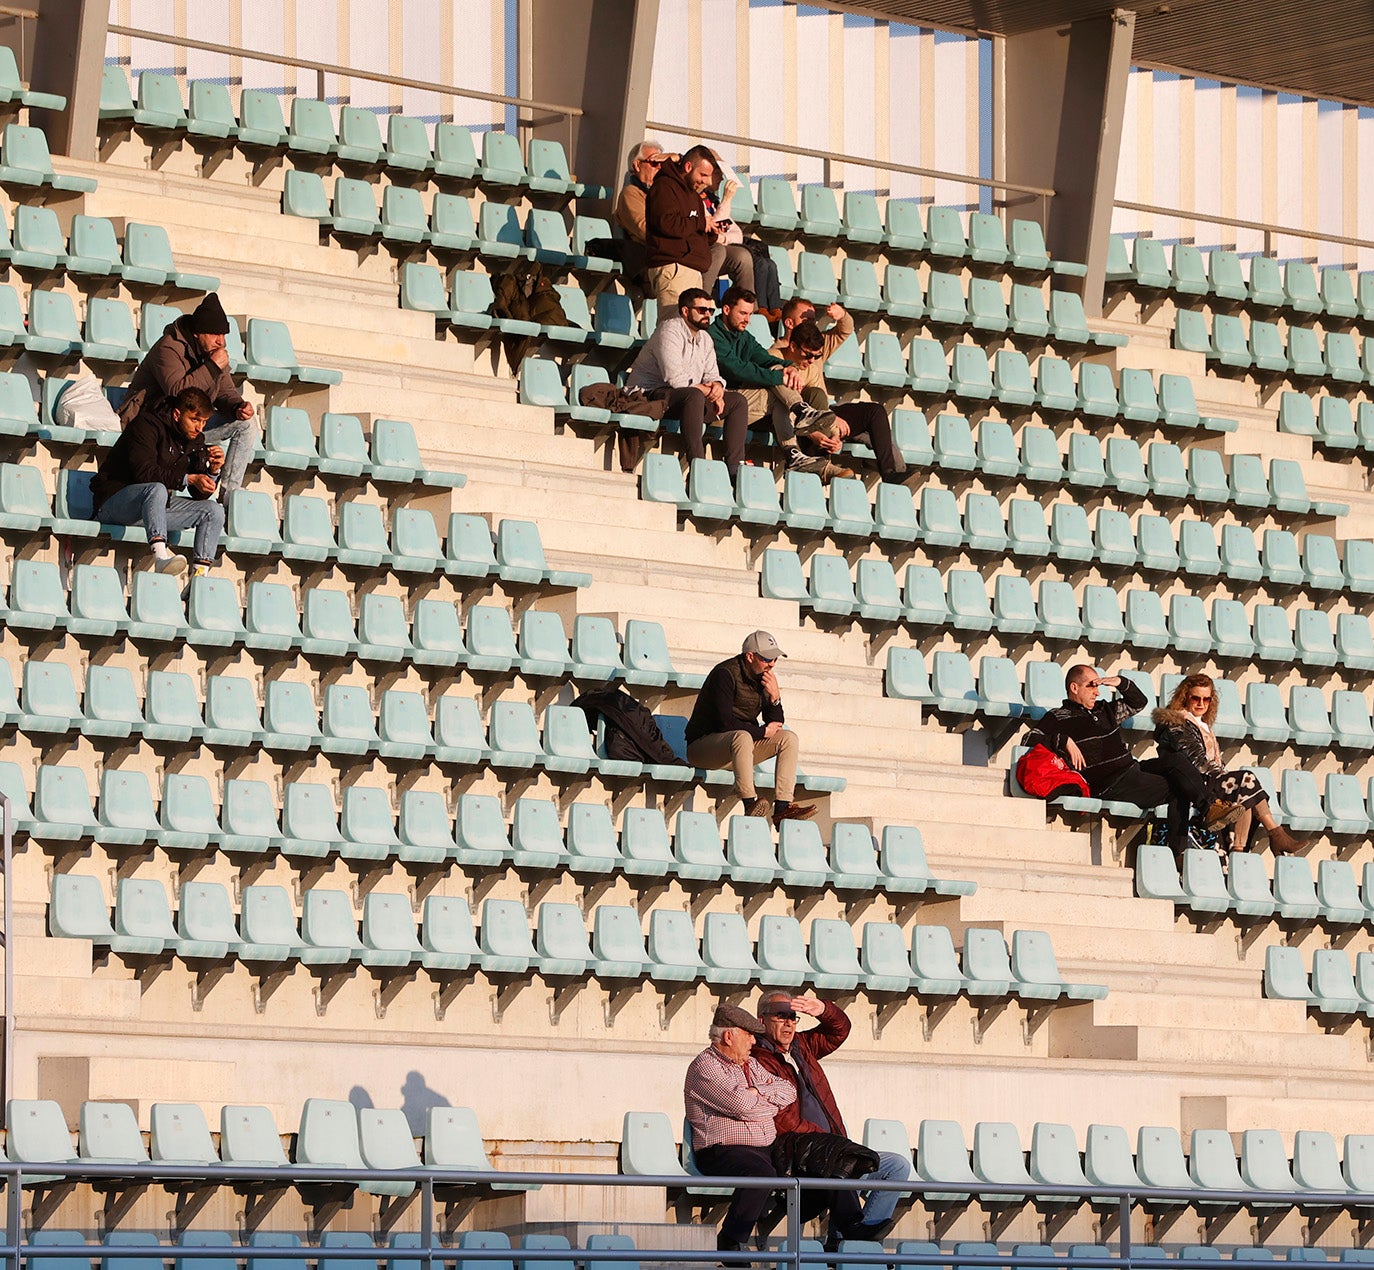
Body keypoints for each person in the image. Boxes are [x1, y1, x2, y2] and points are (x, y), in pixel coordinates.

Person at [753, 992, 911, 1246]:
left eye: (793, 1018)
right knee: (844, 1167)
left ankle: (847, 1245)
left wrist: (824, 1010)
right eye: (781, 1017)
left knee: (897, 1166)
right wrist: (825, 1140)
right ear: (762, 1021)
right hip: (799, 1156)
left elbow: (839, 1031)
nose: (789, 1023)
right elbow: (780, 1119)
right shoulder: (758, 1059)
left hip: (831, 1150)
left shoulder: (802, 1046)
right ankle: (851, 1245)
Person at [1021, 664, 1215, 851]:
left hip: (1132, 769)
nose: (1097, 692)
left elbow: (1139, 702)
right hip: (1109, 782)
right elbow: (1029, 738)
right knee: (1179, 786)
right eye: (1091, 686)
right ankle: (1179, 849)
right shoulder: (1058, 717)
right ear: (1074, 687)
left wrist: (1120, 683)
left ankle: (1210, 808)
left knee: (1176, 761)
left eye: (1097, 686)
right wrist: (1063, 740)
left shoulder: (1105, 709)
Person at [684, 1002, 797, 1255]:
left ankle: (848, 1230)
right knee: (761, 1173)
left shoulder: (750, 1065)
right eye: (749, 1035)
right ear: (728, 1035)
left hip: (764, 1147)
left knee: (818, 1161)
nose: (754, 1042)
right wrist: (767, 1104)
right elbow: (740, 1105)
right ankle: (731, 1240)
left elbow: (789, 1090)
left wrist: (756, 1092)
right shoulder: (705, 1067)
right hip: (721, 1151)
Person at [123, 292, 258, 504]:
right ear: (197, 333)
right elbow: (177, 392)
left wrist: (237, 407)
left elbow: (225, 392)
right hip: (153, 423)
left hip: (188, 423)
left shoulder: (213, 352)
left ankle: (228, 501)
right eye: (214, 334)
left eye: (223, 335)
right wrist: (212, 366)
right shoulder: (168, 347)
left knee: (246, 424)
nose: (220, 341)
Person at [707, 286, 853, 481]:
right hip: (718, 402)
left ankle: (796, 449)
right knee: (777, 384)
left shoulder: (743, 336)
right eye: (742, 313)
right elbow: (738, 369)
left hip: (741, 403)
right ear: (726, 310)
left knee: (778, 372)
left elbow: (762, 358)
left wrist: (789, 367)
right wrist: (781, 374)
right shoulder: (712, 335)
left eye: (750, 314)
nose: (747, 319)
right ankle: (800, 419)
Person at [1153, 673, 1305, 855]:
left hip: (1208, 778)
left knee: (1245, 798)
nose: (1201, 703)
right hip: (1195, 783)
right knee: (1246, 779)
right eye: (1196, 698)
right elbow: (1196, 759)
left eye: (1206, 699)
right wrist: (1222, 775)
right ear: (1185, 697)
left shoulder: (1202, 724)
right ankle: (1275, 834)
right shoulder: (1177, 723)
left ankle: (1238, 851)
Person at [91, 386, 226, 577]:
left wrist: (212, 472)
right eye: (194, 420)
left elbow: (198, 493)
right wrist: (188, 479)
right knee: (157, 489)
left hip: (154, 510)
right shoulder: (146, 424)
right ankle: (161, 558)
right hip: (113, 503)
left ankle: (199, 578)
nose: (199, 428)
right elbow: (144, 473)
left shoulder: (195, 439)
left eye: (204, 422)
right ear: (178, 414)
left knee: (214, 511)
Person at [686, 630, 816, 827]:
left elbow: (775, 723)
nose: (772, 664)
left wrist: (775, 697)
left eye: (775, 659)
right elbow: (724, 724)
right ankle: (749, 803)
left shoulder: (764, 678)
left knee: (788, 738)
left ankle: (782, 808)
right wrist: (762, 732)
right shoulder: (725, 673)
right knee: (743, 736)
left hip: (738, 750)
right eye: (766, 658)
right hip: (704, 748)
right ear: (750, 656)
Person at [772, 299, 906, 484]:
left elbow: (844, 330)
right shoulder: (774, 355)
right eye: (806, 320)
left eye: (813, 320)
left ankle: (890, 473)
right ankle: (822, 470)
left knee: (875, 412)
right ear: (789, 323)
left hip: (825, 414)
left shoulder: (817, 346)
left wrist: (841, 315)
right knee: (815, 396)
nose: (813, 324)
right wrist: (828, 424)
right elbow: (783, 405)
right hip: (798, 423)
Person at [625, 287, 749, 476]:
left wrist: (717, 387)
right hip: (650, 394)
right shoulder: (669, 330)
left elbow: (713, 374)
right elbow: (674, 379)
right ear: (685, 311)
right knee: (694, 395)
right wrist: (708, 390)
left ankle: (734, 469)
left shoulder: (705, 338)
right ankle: (698, 465)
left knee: (738, 401)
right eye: (702, 310)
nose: (707, 314)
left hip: (686, 398)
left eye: (710, 311)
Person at [645, 143, 720, 312]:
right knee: (672, 327)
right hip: (674, 268)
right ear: (688, 166)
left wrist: (710, 233)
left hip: (692, 270)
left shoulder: (692, 194)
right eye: (703, 174)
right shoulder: (664, 187)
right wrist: (700, 222)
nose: (706, 182)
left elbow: (690, 229)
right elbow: (667, 224)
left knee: (688, 333)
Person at [614, 139, 667, 283]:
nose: (659, 168)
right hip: (650, 258)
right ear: (637, 165)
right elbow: (644, 229)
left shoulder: (661, 194)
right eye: (655, 162)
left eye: (662, 164)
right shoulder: (631, 193)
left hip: (667, 254)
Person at [701, 177, 755, 300]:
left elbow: (737, 235)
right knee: (719, 250)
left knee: (743, 255)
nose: (720, 178)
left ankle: (747, 308)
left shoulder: (713, 201)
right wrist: (726, 199)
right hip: (701, 249)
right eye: (716, 174)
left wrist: (722, 238)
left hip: (717, 247)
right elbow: (711, 230)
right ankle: (703, 302)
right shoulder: (695, 197)